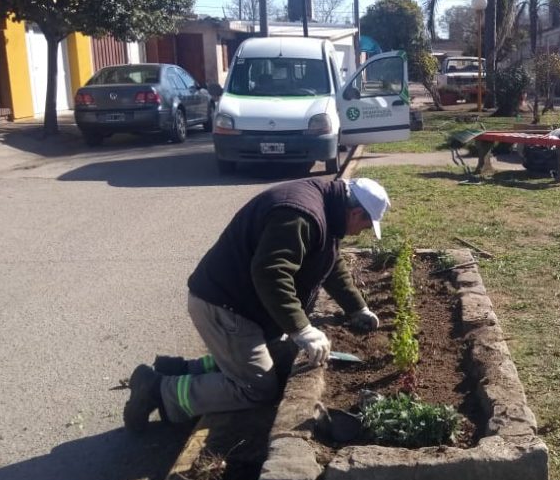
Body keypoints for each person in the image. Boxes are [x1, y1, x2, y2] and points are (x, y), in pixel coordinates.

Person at [123, 177, 390, 432]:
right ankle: (158, 390)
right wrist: (302, 329)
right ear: (356, 213)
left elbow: (330, 263)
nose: (361, 233)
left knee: (272, 358)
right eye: (365, 227)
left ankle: (181, 369)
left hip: (241, 304)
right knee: (256, 388)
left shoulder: (327, 208)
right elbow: (270, 273)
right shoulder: (301, 214)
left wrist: (357, 307)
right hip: (224, 307)